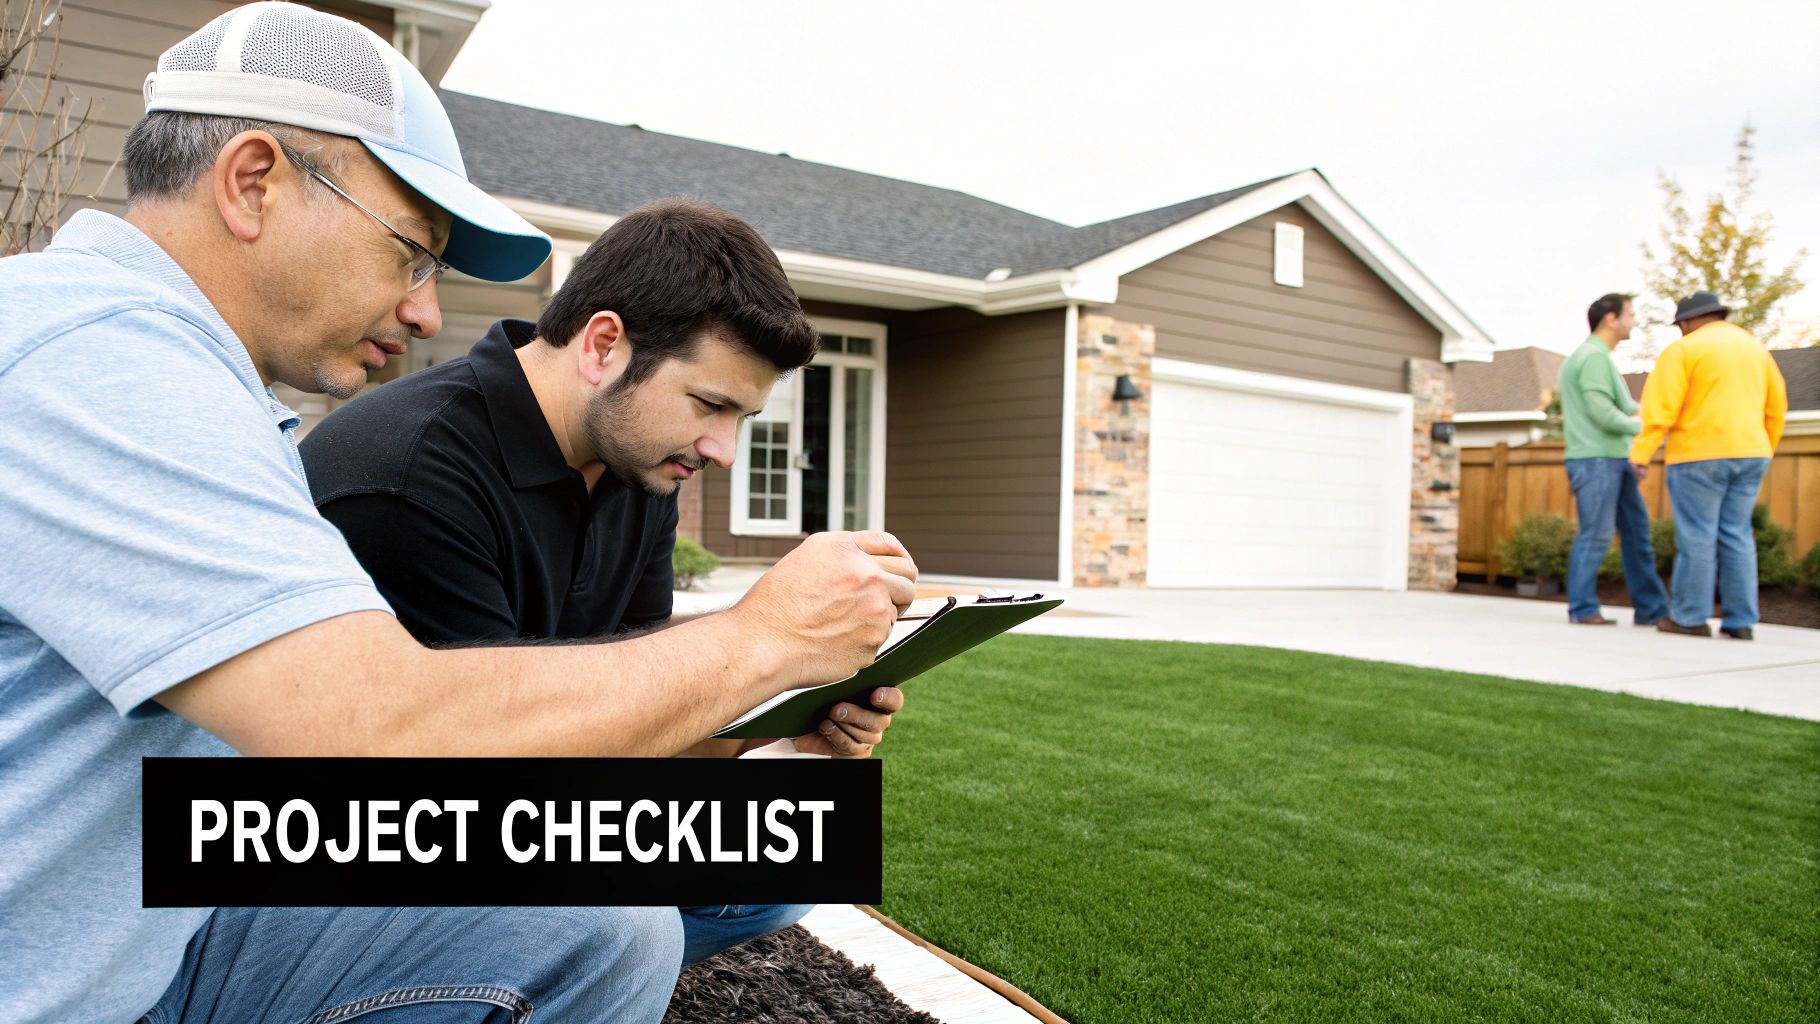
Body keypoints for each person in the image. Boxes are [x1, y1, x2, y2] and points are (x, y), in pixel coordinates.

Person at [0, 6, 913, 1023]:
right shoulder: (92, 360)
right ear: (253, 182)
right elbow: (378, 742)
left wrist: (767, 711)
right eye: (411, 251)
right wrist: (758, 643)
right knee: (607, 918)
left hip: (164, 922)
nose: (428, 311)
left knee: (748, 855)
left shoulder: (188, 386)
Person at [300, 197, 907, 967]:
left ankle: (578, 973)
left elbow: (640, 718)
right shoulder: (410, 478)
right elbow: (483, 774)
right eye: (710, 404)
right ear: (604, 345)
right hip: (357, 847)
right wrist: (758, 640)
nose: (721, 448)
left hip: (521, 793)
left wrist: (781, 721)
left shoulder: (635, 463)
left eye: (742, 420)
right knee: (617, 919)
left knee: (786, 854)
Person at [1629, 291, 1788, 639]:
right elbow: (1777, 406)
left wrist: (1641, 453)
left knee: (1697, 535)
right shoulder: (1754, 348)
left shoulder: (1685, 349)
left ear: (1686, 322)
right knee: (1738, 535)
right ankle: (1741, 621)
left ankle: (1690, 618)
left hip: (1698, 455)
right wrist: (1765, 448)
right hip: (1752, 451)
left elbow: (1660, 410)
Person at [1557, 293, 1671, 626]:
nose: (1633, 321)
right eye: (1630, 315)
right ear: (1611, 319)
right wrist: (1642, 427)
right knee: (1595, 535)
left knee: (1637, 534)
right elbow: (1602, 413)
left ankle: (1651, 609)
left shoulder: (1597, 357)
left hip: (1613, 459)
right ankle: (1582, 608)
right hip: (1596, 461)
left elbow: (1623, 406)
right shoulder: (1592, 357)